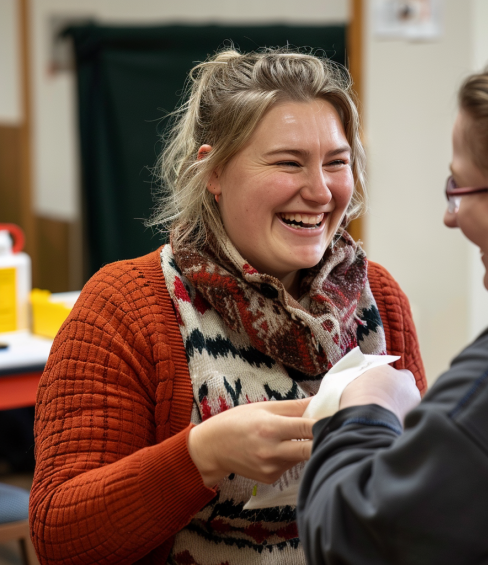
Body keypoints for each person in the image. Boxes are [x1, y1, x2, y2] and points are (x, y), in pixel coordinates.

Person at [29, 48, 426, 565]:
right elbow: (60, 536)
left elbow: (425, 509)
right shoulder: (127, 306)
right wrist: (201, 457)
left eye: (337, 163)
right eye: (288, 163)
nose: (321, 190)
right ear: (213, 171)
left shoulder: (379, 298)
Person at [297, 36, 488, 564]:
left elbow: (353, 540)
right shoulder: (136, 297)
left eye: (459, 189)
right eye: (286, 162)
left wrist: (367, 410)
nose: (320, 192)